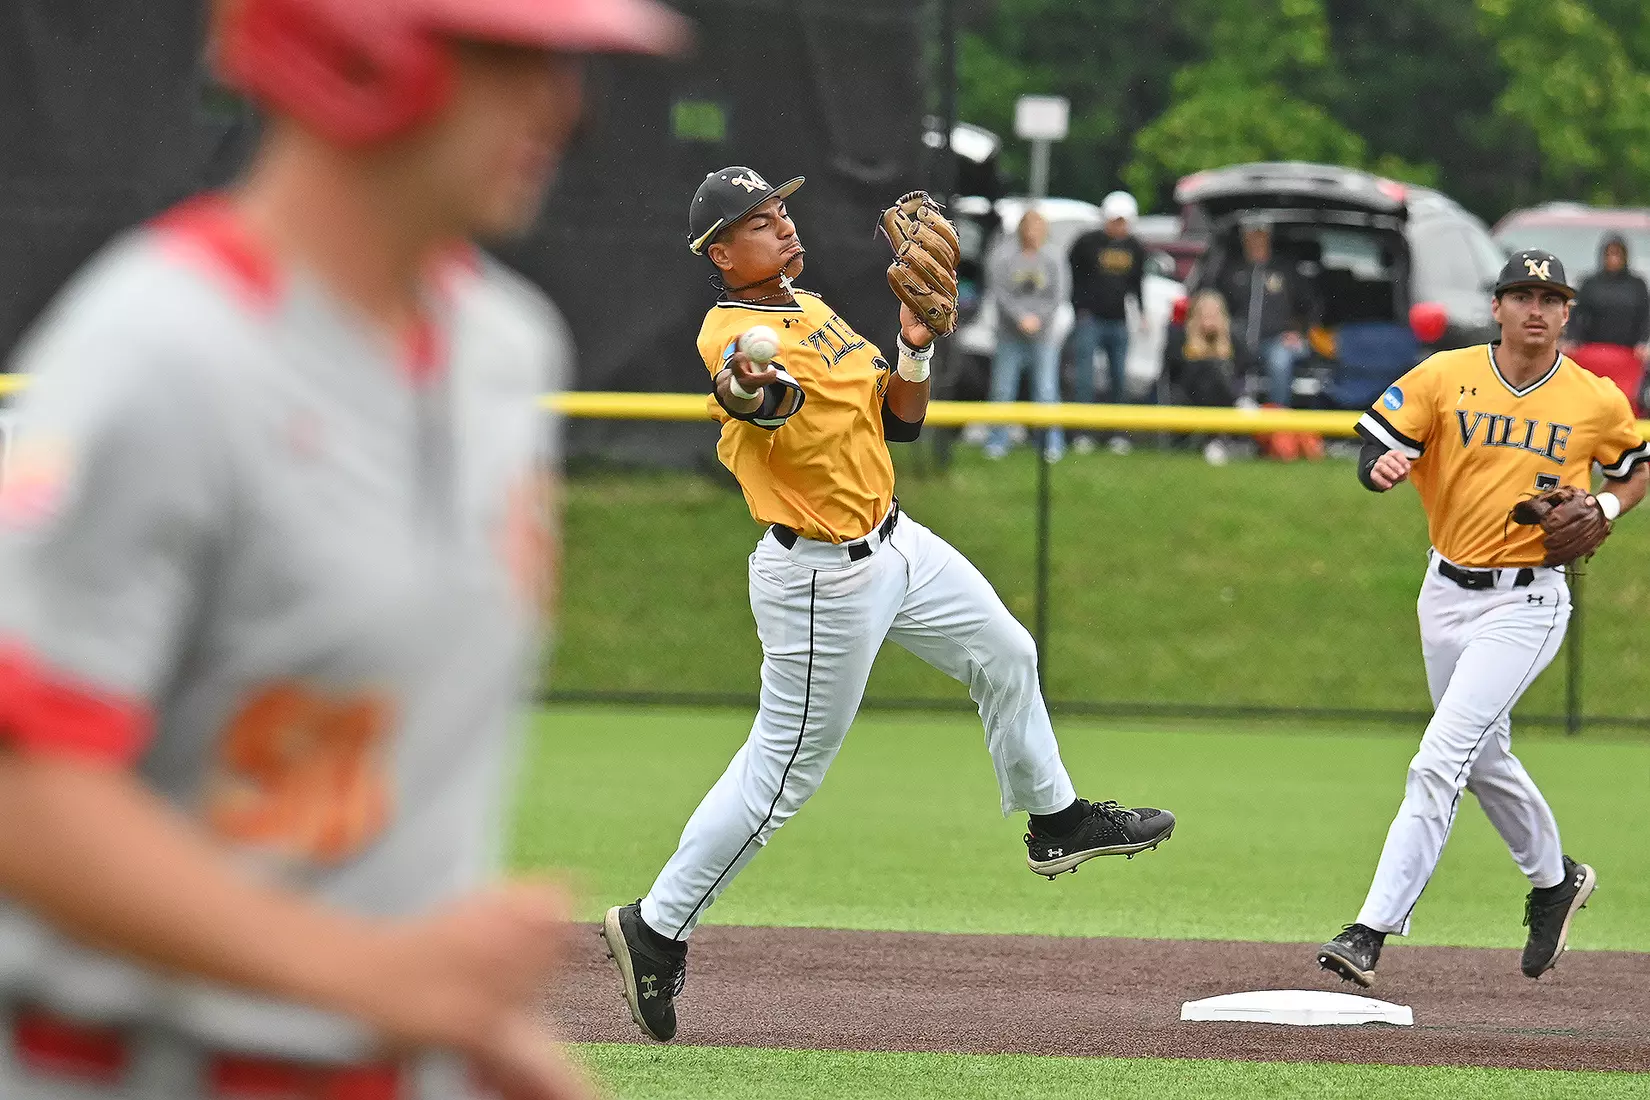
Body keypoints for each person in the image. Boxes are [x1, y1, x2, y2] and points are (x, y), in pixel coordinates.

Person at [0, 2, 687, 1099]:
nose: (562, 102)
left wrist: (467, 1028)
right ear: (353, 50)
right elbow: (23, 791)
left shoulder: (504, 351)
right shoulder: (161, 351)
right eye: (506, 56)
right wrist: (375, 978)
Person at [599, 167, 1177, 1044]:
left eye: (783, 211)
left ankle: (1054, 822)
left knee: (1006, 652)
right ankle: (656, 927)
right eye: (760, 221)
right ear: (722, 251)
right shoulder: (739, 329)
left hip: (896, 543)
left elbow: (897, 420)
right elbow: (752, 394)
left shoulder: (813, 308)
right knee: (782, 774)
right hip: (821, 577)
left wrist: (915, 343)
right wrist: (751, 387)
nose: (784, 227)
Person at [1318, 250, 1648, 988]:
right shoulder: (1445, 374)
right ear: (1497, 307)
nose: (1536, 308)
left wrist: (1603, 505)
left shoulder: (1594, 398)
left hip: (1527, 600)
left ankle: (1369, 929)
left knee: (1439, 759)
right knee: (1484, 756)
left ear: (1567, 314)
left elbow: (1637, 466)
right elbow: (1376, 437)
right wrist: (1377, 467)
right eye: (1522, 294)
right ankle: (1555, 879)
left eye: (1551, 297)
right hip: (1444, 591)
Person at [984, 208, 1069, 461]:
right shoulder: (1003, 256)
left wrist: (1037, 319)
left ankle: (1051, 443)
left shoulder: (1054, 257)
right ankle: (997, 442)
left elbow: (1059, 295)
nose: (1033, 233)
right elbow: (998, 292)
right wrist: (1020, 317)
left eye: (1037, 228)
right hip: (1010, 334)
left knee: (1046, 390)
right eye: (1029, 228)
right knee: (1002, 389)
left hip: (1043, 335)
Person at [1068, 190, 1147, 455]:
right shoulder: (1087, 243)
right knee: (1085, 379)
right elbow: (1073, 276)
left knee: (1119, 380)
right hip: (1091, 318)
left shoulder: (1135, 247)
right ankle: (1083, 432)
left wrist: (1142, 311)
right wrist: (1079, 308)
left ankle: (1118, 434)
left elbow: (1137, 283)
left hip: (1118, 320)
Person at [1217, 219, 1310, 408]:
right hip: (1238, 341)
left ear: (1269, 238)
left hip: (1276, 341)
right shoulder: (1231, 271)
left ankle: (1277, 420)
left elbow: (1311, 305)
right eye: (1251, 236)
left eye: (1261, 235)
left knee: (1280, 361)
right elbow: (1215, 303)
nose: (1256, 241)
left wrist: (1299, 331)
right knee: (1217, 361)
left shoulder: (1286, 270)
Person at [1565, 233, 1650, 415]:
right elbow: (1577, 314)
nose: (1613, 259)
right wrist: (1572, 339)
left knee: (1625, 397)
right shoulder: (1590, 284)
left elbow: (1645, 316)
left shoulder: (1637, 285)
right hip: (1594, 352)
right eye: (1609, 254)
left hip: (1627, 353)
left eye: (1617, 254)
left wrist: (1643, 342)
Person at [1164, 289, 1239, 465]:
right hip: (1188, 394)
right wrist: (1197, 347)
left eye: (1214, 314)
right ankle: (1215, 439)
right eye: (1204, 313)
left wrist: (1221, 341)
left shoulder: (1231, 336)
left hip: (1221, 397)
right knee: (1209, 367)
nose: (1209, 318)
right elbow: (1170, 367)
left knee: (1217, 370)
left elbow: (1247, 363)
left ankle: (1213, 440)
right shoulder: (1180, 334)